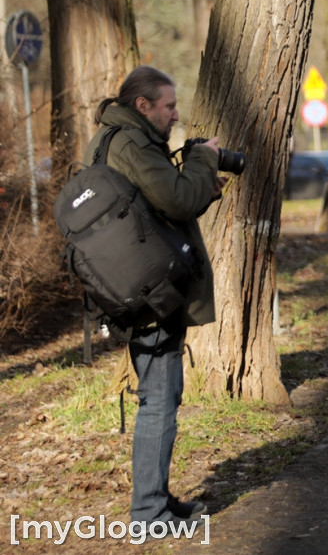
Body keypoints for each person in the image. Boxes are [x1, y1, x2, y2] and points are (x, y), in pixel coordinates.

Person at [85, 66, 226, 527]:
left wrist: (199, 183)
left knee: (160, 397)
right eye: (168, 105)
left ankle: (157, 501)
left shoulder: (113, 139)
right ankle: (148, 511)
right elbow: (176, 201)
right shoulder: (131, 143)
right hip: (150, 290)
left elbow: (162, 201)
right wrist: (204, 162)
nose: (175, 113)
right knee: (160, 400)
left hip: (135, 282)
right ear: (142, 105)